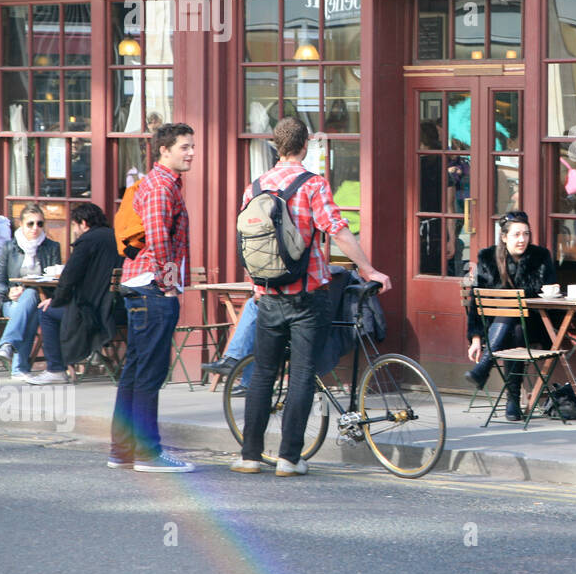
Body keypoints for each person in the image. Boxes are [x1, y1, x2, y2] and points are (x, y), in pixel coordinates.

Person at [231, 116, 390, 476]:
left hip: (268, 294)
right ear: (306, 146)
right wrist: (368, 269)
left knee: (264, 374)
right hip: (307, 295)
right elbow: (338, 231)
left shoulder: (254, 187)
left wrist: (258, 288)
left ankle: (249, 455)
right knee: (301, 374)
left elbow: (250, 243)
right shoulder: (312, 185)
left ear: (276, 145)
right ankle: (289, 458)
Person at [109, 122, 197, 472]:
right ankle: (147, 452)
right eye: (184, 147)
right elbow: (160, 240)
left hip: (139, 284)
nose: (191, 153)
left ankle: (123, 450)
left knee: (134, 370)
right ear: (164, 150)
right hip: (152, 287)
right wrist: (169, 284)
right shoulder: (162, 186)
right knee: (150, 372)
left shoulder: (157, 183)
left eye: (192, 147)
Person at [464, 210, 558, 422]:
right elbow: (476, 300)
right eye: (516, 235)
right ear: (504, 237)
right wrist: (476, 338)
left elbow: (550, 288)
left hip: (535, 324)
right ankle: (512, 400)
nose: (522, 239)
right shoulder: (487, 258)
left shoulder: (540, 256)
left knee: (514, 316)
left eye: (526, 234)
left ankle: (485, 369)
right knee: (513, 323)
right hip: (500, 327)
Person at [24, 203, 119, 385]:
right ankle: (88, 355)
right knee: (55, 308)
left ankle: (56, 369)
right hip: (114, 310)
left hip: (92, 312)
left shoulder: (87, 241)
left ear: (83, 223)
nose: (74, 230)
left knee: (46, 312)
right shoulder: (115, 237)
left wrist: (56, 300)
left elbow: (69, 278)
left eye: (74, 226)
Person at [0, 203, 63, 379]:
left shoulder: (52, 247)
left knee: (31, 298)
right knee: (28, 307)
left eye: (40, 224)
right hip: (12, 302)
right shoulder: (10, 247)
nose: (35, 228)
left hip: (40, 298)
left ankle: (8, 345)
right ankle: (19, 368)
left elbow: (55, 278)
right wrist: (9, 292)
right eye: (30, 224)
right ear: (21, 225)